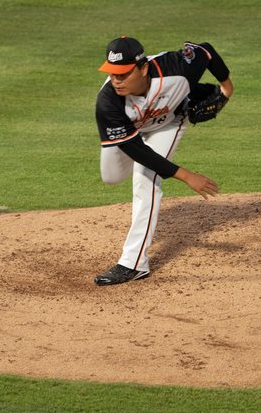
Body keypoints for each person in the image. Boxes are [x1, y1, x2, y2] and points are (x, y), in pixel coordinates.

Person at [93, 36, 234, 285]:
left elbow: (206, 51)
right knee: (112, 177)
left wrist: (226, 88)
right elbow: (136, 150)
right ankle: (134, 261)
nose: (116, 80)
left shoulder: (176, 68)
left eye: (123, 73)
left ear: (143, 68)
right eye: (112, 73)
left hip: (168, 122)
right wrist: (187, 176)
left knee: (146, 178)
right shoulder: (108, 102)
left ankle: (133, 264)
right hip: (130, 132)